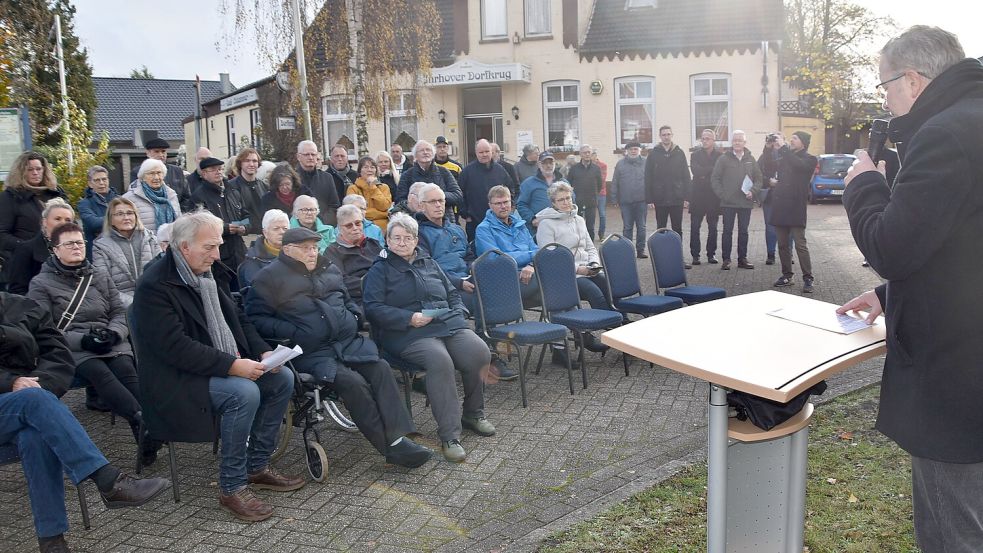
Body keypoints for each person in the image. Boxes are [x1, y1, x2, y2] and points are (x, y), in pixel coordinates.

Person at [836, 26, 983, 552]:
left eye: (885, 86)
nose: (886, 99)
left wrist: (864, 185)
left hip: (956, 377)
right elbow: (961, 247)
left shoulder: (944, 135)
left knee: (953, 530)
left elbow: (892, 247)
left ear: (914, 80)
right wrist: (887, 296)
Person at [131, 210, 303, 522]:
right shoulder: (154, 286)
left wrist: (263, 353)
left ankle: (257, 466)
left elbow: (237, 319)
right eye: (210, 247)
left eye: (219, 245)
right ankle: (231, 486)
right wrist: (232, 366)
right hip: (175, 380)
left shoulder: (208, 273)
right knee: (243, 393)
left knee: (282, 380)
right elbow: (174, 348)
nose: (217, 254)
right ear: (184, 248)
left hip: (211, 366)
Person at [246, 226, 432, 468]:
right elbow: (254, 318)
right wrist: (293, 332)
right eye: (305, 249)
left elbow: (346, 298)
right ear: (288, 250)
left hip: (346, 341)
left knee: (381, 369)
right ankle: (389, 448)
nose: (313, 253)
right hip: (311, 351)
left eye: (314, 247)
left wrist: (353, 317)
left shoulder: (328, 267)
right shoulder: (269, 278)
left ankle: (400, 437)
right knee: (352, 383)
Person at [1, 292, 168, 553]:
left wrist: (41, 382)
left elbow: (57, 353)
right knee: (35, 402)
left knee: (35, 437)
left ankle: (52, 541)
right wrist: (9, 382)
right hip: (19, 400)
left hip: (27, 403)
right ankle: (108, 481)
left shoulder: (21, 306)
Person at [363, 213, 495, 463]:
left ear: (415, 240)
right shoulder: (380, 269)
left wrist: (457, 314)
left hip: (446, 324)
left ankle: (473, 414)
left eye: (407, 238)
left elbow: (452, 293)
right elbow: (372, 308)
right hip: (406, 333)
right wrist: (407, 317)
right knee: (439, 360)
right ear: (388, 240)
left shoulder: (429, 262)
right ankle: (449, 435)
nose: (401, 243)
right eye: (396, 238)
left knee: (479, 352)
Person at [26, 222, 147, 452]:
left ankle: (147, 425)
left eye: (80, 242)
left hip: (109, 338)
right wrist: (82, 341)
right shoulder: (40, 284)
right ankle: (140, 421)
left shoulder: (99, 276)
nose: (76, 247)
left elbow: (118, 311)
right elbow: (44, 328)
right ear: (55, 249)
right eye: (70, 243)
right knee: (99, 373)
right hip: (73, 346)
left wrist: (115, 332)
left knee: (126, 368)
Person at [535, 182, 613, 351]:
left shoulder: (579, 219)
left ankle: (619, 323)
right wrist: (578, 269)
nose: (566, 202)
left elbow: (591, 247)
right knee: (594, 292)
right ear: (553, 203)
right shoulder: (546, 224)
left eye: (568, 198)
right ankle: (612, 329)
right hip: (565, 276)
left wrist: (594, 264)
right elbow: (550, 259)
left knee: (608, 285)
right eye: (561, 200)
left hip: (587, 269)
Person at [0, 152, 67, 284]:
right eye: (30, 169)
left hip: (59, 262)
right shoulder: (9, 197)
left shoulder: (55, 194)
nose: (35, 173)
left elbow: (71, 225)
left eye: (38, 169)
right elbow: (2, 235)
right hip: (24, 267)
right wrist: (27, 247)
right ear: (20, 172)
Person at [769, 131, 818, 293]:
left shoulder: (810, 159)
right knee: (782, 244)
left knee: (800, 244)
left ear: (803, 142)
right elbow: (769, 165)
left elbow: (798, 165)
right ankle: (786, 275)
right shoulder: (785, 156)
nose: (791, 140)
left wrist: (783, 148)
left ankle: (808, 278)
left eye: (795, 138)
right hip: (780, 205)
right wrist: (772, 146)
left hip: (796, 206)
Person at [192, 157, 250, 290]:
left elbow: (246, 216)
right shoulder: (198, 196)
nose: (218, 172)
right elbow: (199, 226)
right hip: (219, 258)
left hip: (239, 254)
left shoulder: (233, 191)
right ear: (203, 173)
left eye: (220, 169)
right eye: (213, 170)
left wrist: (244, 227)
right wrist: (225, 228)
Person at [91, 197, 159, 307]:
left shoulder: (150, 238)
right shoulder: (100, 246)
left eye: (130, 213)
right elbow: (104, 284)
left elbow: (163, 274)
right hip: (121, 305)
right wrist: (134, 303)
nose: (126, 217)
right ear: (111, 219)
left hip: (155, 300)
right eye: (120, 214)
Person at [711, 130, 762, 270]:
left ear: (745, 143)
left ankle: (742, 259)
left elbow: (759, 179)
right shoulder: (723, 159)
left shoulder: (751, 159)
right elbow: (715, 178)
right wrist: (722, 194)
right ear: (731, 142)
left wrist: (753, 191)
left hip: (745, 202)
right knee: (727, 231)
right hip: (728, 202)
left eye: (740, 140)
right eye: (735, 140)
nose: (737, 142)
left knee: (743, 231)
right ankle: (726, 260)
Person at [6, 198, 74, 295]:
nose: (63, 223)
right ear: (44, 222)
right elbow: (17, 291)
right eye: (57, 219)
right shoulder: (25, 250)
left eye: (68, 220)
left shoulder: (77, 248)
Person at [323, 204, 383, 305]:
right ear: (339, 228)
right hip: (358, 299)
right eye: (349, 225)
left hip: (385, 291)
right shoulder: (332, 251)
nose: (355, 228)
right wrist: (374, 283)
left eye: (358, 223)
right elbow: (340, 281)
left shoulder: (374, 244)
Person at [459, 139, 513, 241]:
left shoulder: (500, 170)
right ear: (476, 153)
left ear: (491, 152)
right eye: (481, 152)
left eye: (487, 151)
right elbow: (460, 194)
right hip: (475, 221)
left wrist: (511, 206)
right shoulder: (467, 172)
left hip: (499, 221)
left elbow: (512, 188)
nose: (484, 154)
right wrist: (466, 214)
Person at [645, 126, 691, 246]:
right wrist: (649, 198)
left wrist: (687, 197)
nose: (666, 137)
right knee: (661, 229)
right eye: (664, 135)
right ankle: (662, 256)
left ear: (672, 135)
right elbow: (648, 177)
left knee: (677, 229)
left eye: (668, 134)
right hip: (660, 198)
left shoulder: (679, 153)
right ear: (660, 136)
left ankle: (678, 256)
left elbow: (686, 175)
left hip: (677, 197)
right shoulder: (653, 154)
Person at [395, 140, 464, 215]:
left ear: (433, 154)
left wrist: (437, 195)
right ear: (415, 156)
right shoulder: (407, 175)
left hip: (443, 220)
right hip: (417, 220)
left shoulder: (444, 172)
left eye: (428, 150)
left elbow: (457, 196)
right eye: (421, 150)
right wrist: (416, 201)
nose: (425, 152)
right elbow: (400, 201)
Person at [128, 137, 193, 212]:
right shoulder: (138, 171)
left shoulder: (177, 171)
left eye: (163, 151)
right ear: (148, 153)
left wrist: (178, 214)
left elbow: (186, 197)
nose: (161, 155)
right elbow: (134, 196)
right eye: (157, 151)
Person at [689, 129, 723, 265]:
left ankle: (711, 254)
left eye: (708, 138)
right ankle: (695, 255)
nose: (705, 141)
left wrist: (705, 173)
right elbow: (696, 171)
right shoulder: (695, 155)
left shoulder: (720, 156)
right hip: (697, 196)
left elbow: (719, 173)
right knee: (695, 227)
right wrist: (710, 170)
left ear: (713, 140)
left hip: (713, 197)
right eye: (703, 138)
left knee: (713, 228)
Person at [611, 142, 648, 258]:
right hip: (625, 201)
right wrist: (614, 198)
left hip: (642, 200)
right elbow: (615, 181)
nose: (633, 151)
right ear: (626, 151)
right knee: (627, 227)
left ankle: (640, 250)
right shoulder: (620, 164)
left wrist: (652, 197)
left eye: (636, 149)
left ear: (640, 150)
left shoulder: (646, 163)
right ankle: (628, 250)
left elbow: (651, 180)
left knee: (641, 227)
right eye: (631, 149)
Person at [123, 158, 180, 233]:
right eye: (151, 173)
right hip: (144, 243)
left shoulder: (171, 195)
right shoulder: (129, 198)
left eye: (159, 173)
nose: (156, 177)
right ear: (143, 177)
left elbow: (179, 222)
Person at [239, 209, 289, 289]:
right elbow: (257, 290)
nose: (282, 232)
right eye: (276, 229)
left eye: (285, 229)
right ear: (265, 232)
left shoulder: (295, 254)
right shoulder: (253, 260)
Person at [516, 151, 565, 233]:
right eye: (545, 163)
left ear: (554, 164)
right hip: (538, 229)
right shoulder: (529, 183)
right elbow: (521, 204)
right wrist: (532, 219)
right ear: (539, 164)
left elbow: (572, 202)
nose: (548, 165)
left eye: (550, 162)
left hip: (561, 228)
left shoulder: (564, 183)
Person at [295, 140, 340, 226]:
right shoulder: (292, 179)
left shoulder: (327, 178)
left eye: (313, 154)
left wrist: (319, 223)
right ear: (298, 156)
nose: (311, 157)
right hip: (298, 229)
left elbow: (334, 206)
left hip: (323, 228)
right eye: (306, 154)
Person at [77, 165, 117, 258]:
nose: (101, 183)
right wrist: (117, 218)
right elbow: (93, 223)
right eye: (97, 180)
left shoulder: (119, 200)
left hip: (119, 248)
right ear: (90, 184)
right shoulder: (84, 204)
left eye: (104, 179)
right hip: (97, 251)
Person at [566, 144, 603, 240]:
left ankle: (590, 249)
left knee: (590, 227)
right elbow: (568, 184)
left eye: (589, 152)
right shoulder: (574, 169)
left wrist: (594, 195)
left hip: (591, 202)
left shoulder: (596, 168)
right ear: (580, 154)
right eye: (584, 152)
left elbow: (599, 185)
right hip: (577, 202)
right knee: (577, 227)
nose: (587, 154)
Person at [346, 156, 392, 233]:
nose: (369, 170)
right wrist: (383, 214)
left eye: (372, 167)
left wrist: (373, 187)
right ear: (360, 171)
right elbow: (355, 212)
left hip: (383, 229)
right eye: (366, 167)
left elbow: (385, 206)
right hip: (361, 228)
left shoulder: (384, 187)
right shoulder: (353, 188)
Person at [228, 148, 268, 235]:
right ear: (240, 163)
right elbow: (232, 216)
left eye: (254, 161)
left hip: (263, 234)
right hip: (243, 236)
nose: (251, 164)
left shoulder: (264, 186)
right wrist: (243, 226)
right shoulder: (231, 186)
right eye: (247, 161)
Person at [758, 133, 783, 265]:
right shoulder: (764, 156)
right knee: (770, 226)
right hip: (770, 195)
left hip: (785, 196)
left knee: (787, 226)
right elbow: (757, 175)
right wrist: (768, 182)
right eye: (772, 141)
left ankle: (788, 253)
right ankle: (771, 254)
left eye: (777, 140)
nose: (774, 143)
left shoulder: (788, 154)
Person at [592, 149, 609, 240]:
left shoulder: (602, 165)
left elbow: (602, 179)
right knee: (591, 215)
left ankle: (601, 234)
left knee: (602, 214)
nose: (591, 157)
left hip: (601, 193)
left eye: (593, 155)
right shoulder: (587, 166)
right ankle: (590, 234)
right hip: (590, 193)